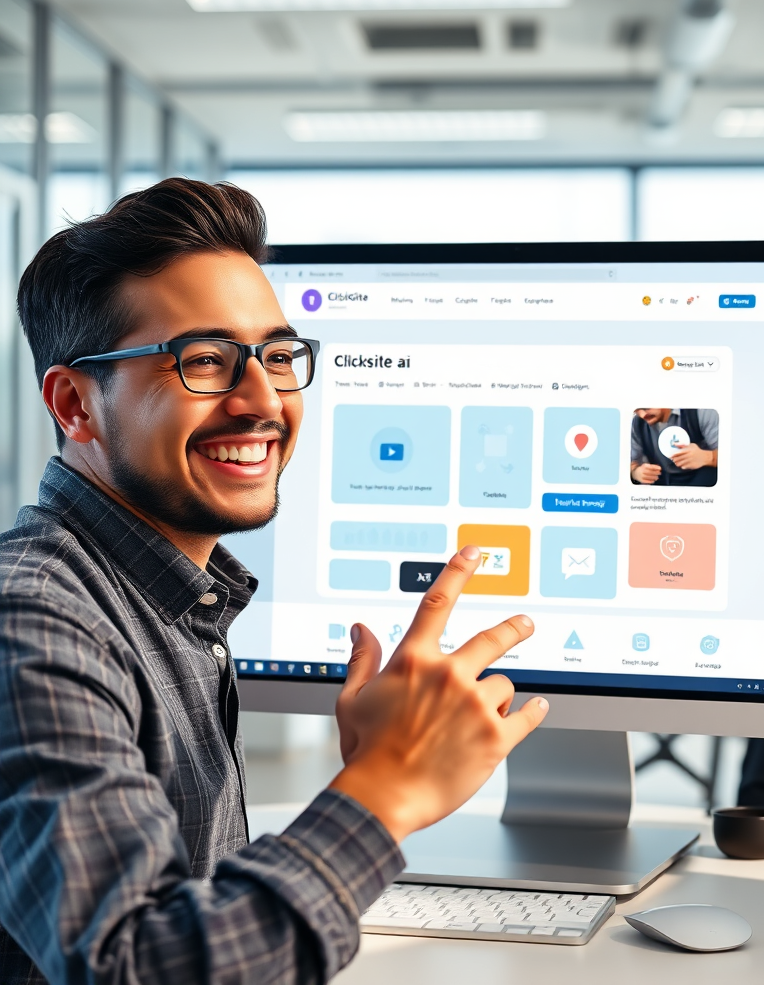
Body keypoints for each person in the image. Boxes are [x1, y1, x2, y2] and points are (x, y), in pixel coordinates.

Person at [0, 178, 548, 985]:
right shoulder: (36, 618)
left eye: (278, 356)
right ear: (76, 405)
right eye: (207, 362)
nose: (263, 401)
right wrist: (382, 791)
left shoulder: (165, 603)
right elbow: (133, 969)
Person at [630, 407, 718, 487]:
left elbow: (730, 456)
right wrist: (636, 472)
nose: (642, 415)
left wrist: (708, 457)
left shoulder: (702, 412)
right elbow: (627, 463)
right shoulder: (637, 424)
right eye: (637, 410)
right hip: (662, 484)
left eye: (646, 408)